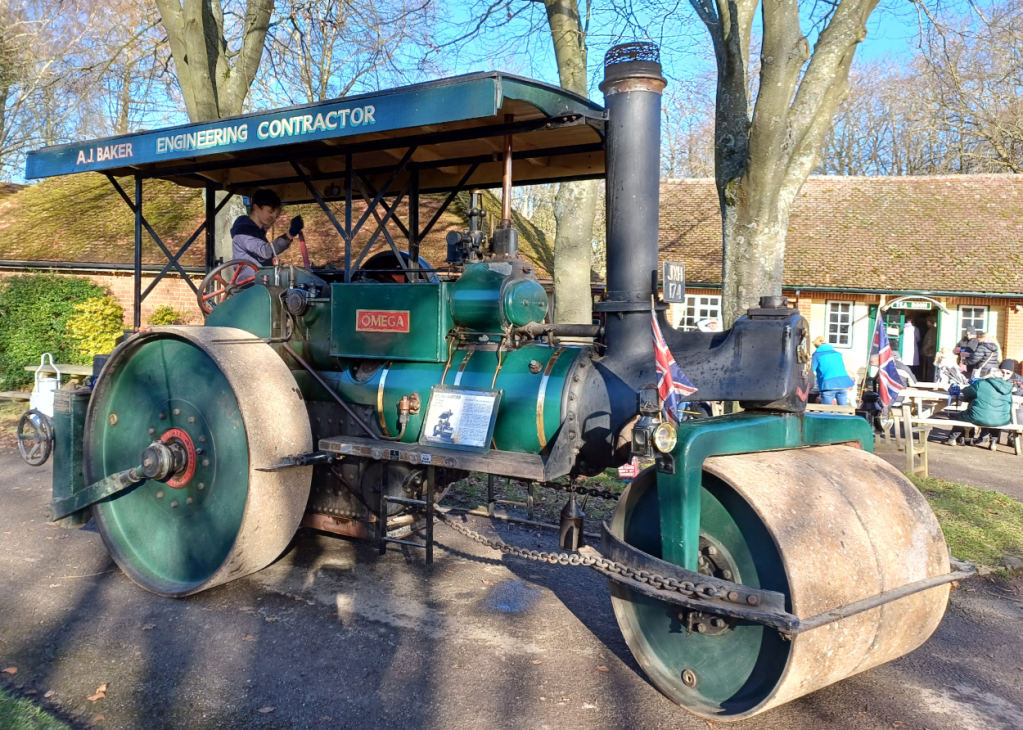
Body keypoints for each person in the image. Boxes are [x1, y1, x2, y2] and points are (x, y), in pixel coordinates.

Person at [946, 359, 1017, 449]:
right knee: (997, 417)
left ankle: (952, 439)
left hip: (978, 416)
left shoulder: (980, 383)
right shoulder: (1009, 387)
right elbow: (1010, 404)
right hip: (1003, 419)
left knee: (960, 416)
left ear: (988, 374)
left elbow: (966, 392)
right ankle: (993, 443)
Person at [230, 188, 304, 268]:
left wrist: (272, 263)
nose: (274, 217)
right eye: (270, 212)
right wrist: (290, 235)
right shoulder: (243, 231)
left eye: (276, 213)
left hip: (260, 275)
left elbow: (261, 258)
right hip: (250, 276)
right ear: (256, 208)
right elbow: (265, 252)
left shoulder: (258, 232)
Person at [811, 335, 855, 405]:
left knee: (826, 409)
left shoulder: (817, 355)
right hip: (843, 382)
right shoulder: (837, 354)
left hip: (828, 384)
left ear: (817, 346)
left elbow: (811, 370)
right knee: (843, 408)